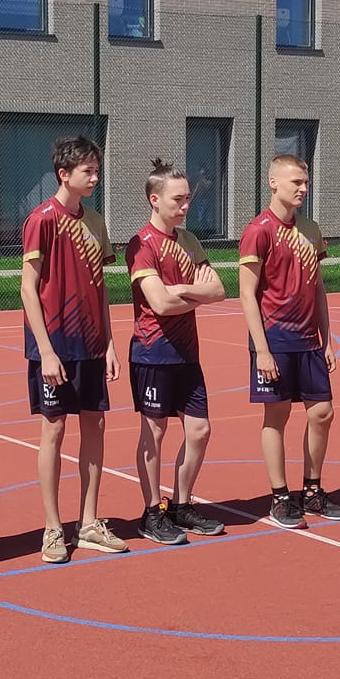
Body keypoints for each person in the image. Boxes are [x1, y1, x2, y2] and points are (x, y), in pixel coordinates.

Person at [21, 135, 124, 562]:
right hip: (55, 343)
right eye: (88, 171)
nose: (95, 178)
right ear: (64, 174)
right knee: (54, 429)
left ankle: (88, 522)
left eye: (96, 170)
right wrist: (45, 351)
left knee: (95, 426)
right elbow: (28, 288)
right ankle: (52, 527)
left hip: (91, 344)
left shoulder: (96, 222)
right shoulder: (41, 220)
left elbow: (100, 288)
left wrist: (110, 343)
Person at [127, 158, 230, 542]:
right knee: (154, 432)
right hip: (153, 352)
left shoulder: (190, 241)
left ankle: (181, 505)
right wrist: (195, 295)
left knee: (199, 430)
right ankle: (152, 512)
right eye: (178, 199)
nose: (185, 206)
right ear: (155, 199)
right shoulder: (142, 245)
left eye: (188, 198)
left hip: (187, 354)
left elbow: (218, 290)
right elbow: (160, 304)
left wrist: (183, 290)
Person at [241, 154, 340, 529]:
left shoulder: (310, 229)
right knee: (277, 415)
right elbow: (247, 294)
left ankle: (312, 490)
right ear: (273, 182)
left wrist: (326, 339)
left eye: (305, 182)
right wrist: (262, 350)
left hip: (308, 340)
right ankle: (280, 496)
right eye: (296, 182)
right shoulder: (259, 230)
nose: (303, 188)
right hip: (275, 339)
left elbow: (319, 289)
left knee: (322, 412)